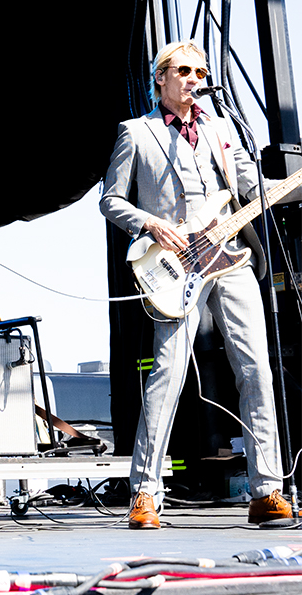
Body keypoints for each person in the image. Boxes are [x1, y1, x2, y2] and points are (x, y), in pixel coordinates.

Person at [100, 39, 296, 528]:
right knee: (167, 376)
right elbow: (110, 201)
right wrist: (149, 223)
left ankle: (267, 490)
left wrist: (284, 188)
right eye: (184, 70)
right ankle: (145, 492)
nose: (195, 78)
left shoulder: (223, 130)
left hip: (230, 259)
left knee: (256, 372)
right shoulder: (136, 133)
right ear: (161, 77)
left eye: (201, 70)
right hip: (177, 264)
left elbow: (254, 188)